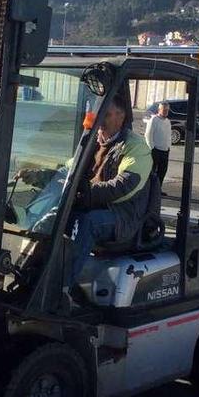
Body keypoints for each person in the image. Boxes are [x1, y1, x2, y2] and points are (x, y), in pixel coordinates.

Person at [20, 93, 152, 299]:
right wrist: (38, 176)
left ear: (121, 116)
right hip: (89, 204)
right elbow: (67, 172)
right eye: (98, 115)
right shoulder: (92, 143)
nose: (100, 122)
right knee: (47, 217)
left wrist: (83, 192)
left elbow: (123, 186)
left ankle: (61, 289)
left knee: (87, 222)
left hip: (121, 216)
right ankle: (27, 275)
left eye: (106, 115)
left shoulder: (136, 147)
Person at [143, 101, 171, 184]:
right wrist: (152, 148)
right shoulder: (154, 120)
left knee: (162, 171)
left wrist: (168, 147)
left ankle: (158, 189)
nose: (166, 111)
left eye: (167, 110)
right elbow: (148, 135)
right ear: (159, 110)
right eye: (164, 110)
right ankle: (150, 189)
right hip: (155, 150)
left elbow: (168, 136)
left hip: (165, 150)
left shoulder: (168, 121)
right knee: (152, 172)